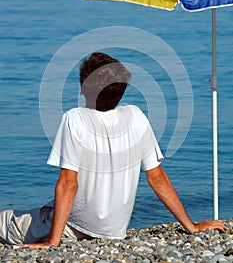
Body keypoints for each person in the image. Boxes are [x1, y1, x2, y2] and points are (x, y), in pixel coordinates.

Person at [0, 52, 227, 247]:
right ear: (121, 91)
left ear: (83, 90)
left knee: (6, 221)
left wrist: (53, 242)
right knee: (38, 211)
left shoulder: (74, 118)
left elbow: (68, 183)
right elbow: (157, 177)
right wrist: (191, 226)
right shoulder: (136, 116)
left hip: (74, 227)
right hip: (113, 232)